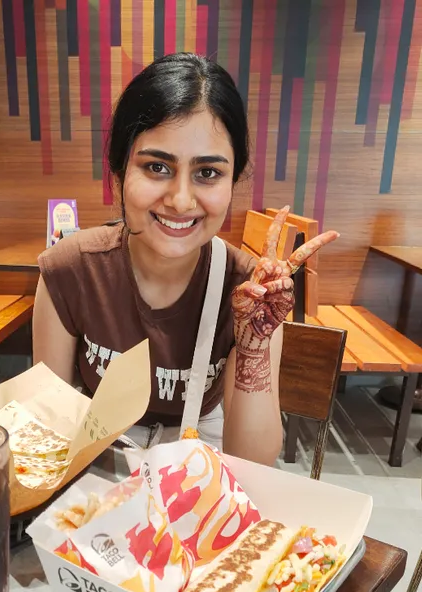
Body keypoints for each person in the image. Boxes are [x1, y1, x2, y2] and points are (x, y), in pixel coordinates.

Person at [32, 52, 339, 465]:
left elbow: (253, 462)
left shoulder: (250, 292)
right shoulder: (70, 270)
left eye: (207, 173)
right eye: (157, 166)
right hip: (99, 436)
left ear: (232, 181)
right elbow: (48, 426)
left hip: (204, 436)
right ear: (120, 174)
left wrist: (253, 343)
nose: (179, 200)